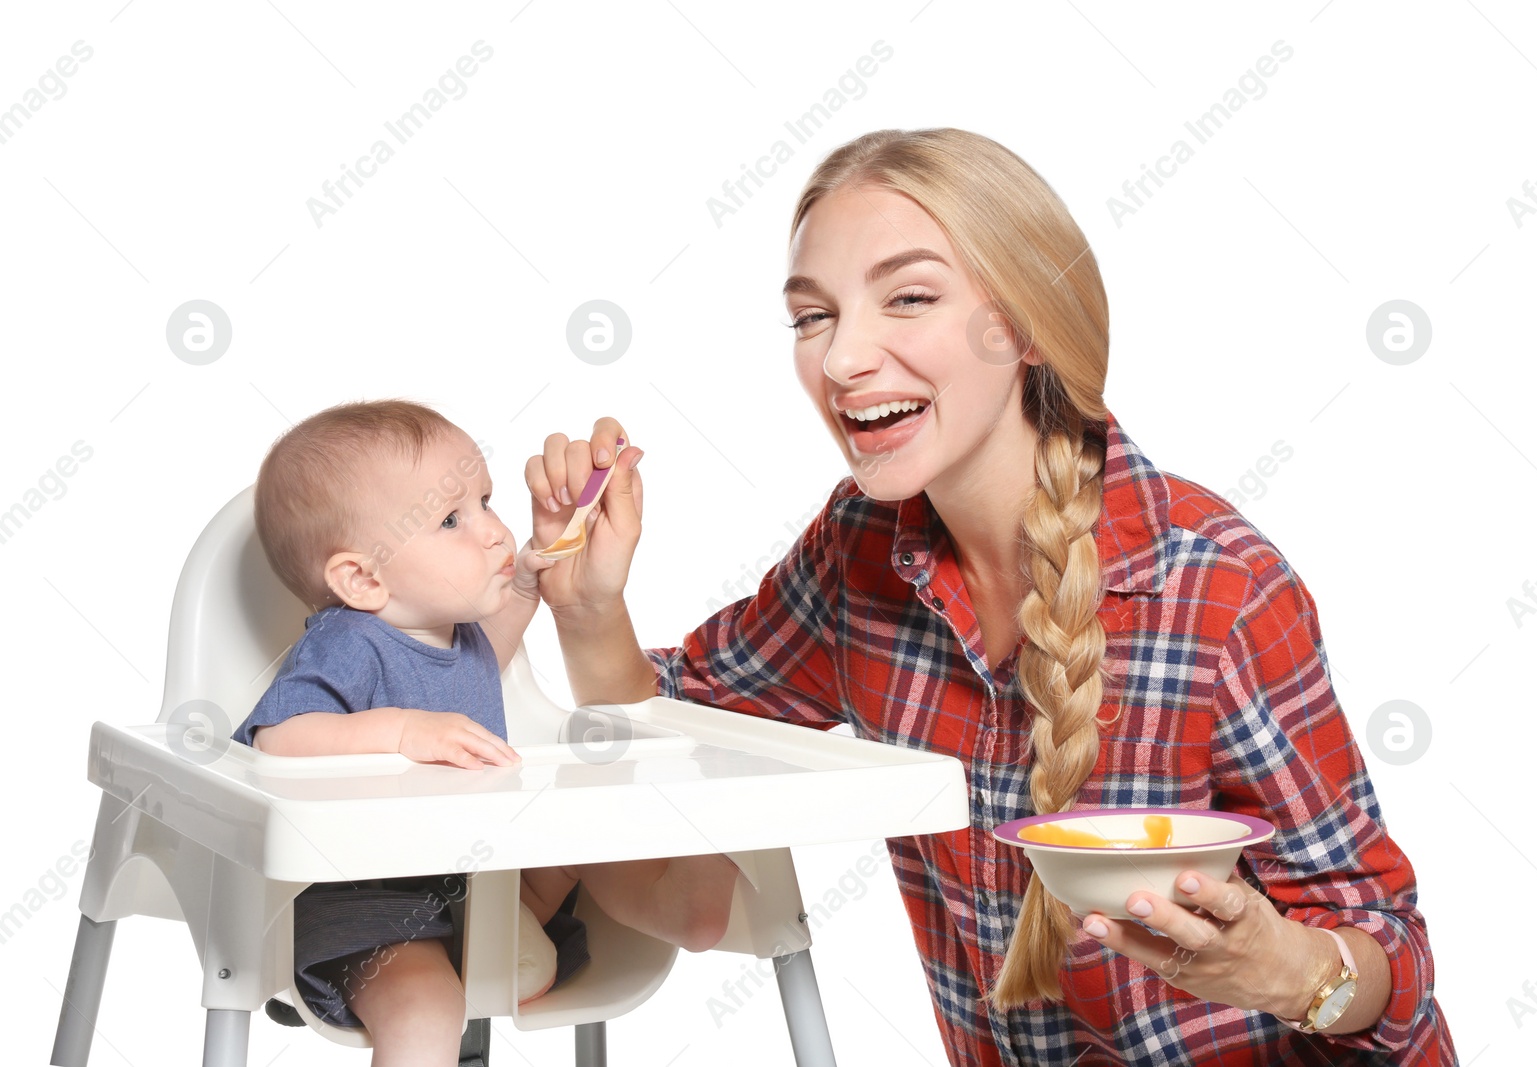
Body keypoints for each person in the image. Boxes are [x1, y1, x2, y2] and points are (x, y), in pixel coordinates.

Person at [526, 129, 1458, 1065]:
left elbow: (1389, 951)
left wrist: (1286, 969)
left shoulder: (1215, 588)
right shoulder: (859, 553)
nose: (844, 357)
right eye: (814, 317)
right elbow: (665, 740)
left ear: (1028, 324)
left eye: (910, 298)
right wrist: (587, 604)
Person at [233, 399, 738, 1067]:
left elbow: (484, 660)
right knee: (426, 1011)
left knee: (579, 832)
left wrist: (529, 579)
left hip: (471, 878)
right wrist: (404, 731)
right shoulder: (350, 642)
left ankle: (683, 902)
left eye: (485, 501)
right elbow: (278, 737)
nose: (495, 532)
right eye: (450, 519)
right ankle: (469, 983)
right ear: (362, 578)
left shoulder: (459, 638)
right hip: (374, 907)